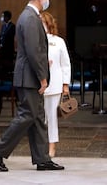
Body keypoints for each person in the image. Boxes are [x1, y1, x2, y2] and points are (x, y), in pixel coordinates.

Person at [0, 0, 65, 171]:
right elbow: (33, 51)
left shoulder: (31, 16)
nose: (48, 0)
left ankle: (42, 159)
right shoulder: (29, 18)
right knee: (26, 116)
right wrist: (43, 78)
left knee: (38, 118)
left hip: (30, 77)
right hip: (30, 78)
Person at [41, 11, 71, 158]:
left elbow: (65, 64)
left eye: (43, 22)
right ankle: (40, 144)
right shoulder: (35, 41)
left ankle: (52, 146)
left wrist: (65, 84)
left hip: (54, 84)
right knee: (40, 117)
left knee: (52, 116)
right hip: (38, 85)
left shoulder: (58, 41)